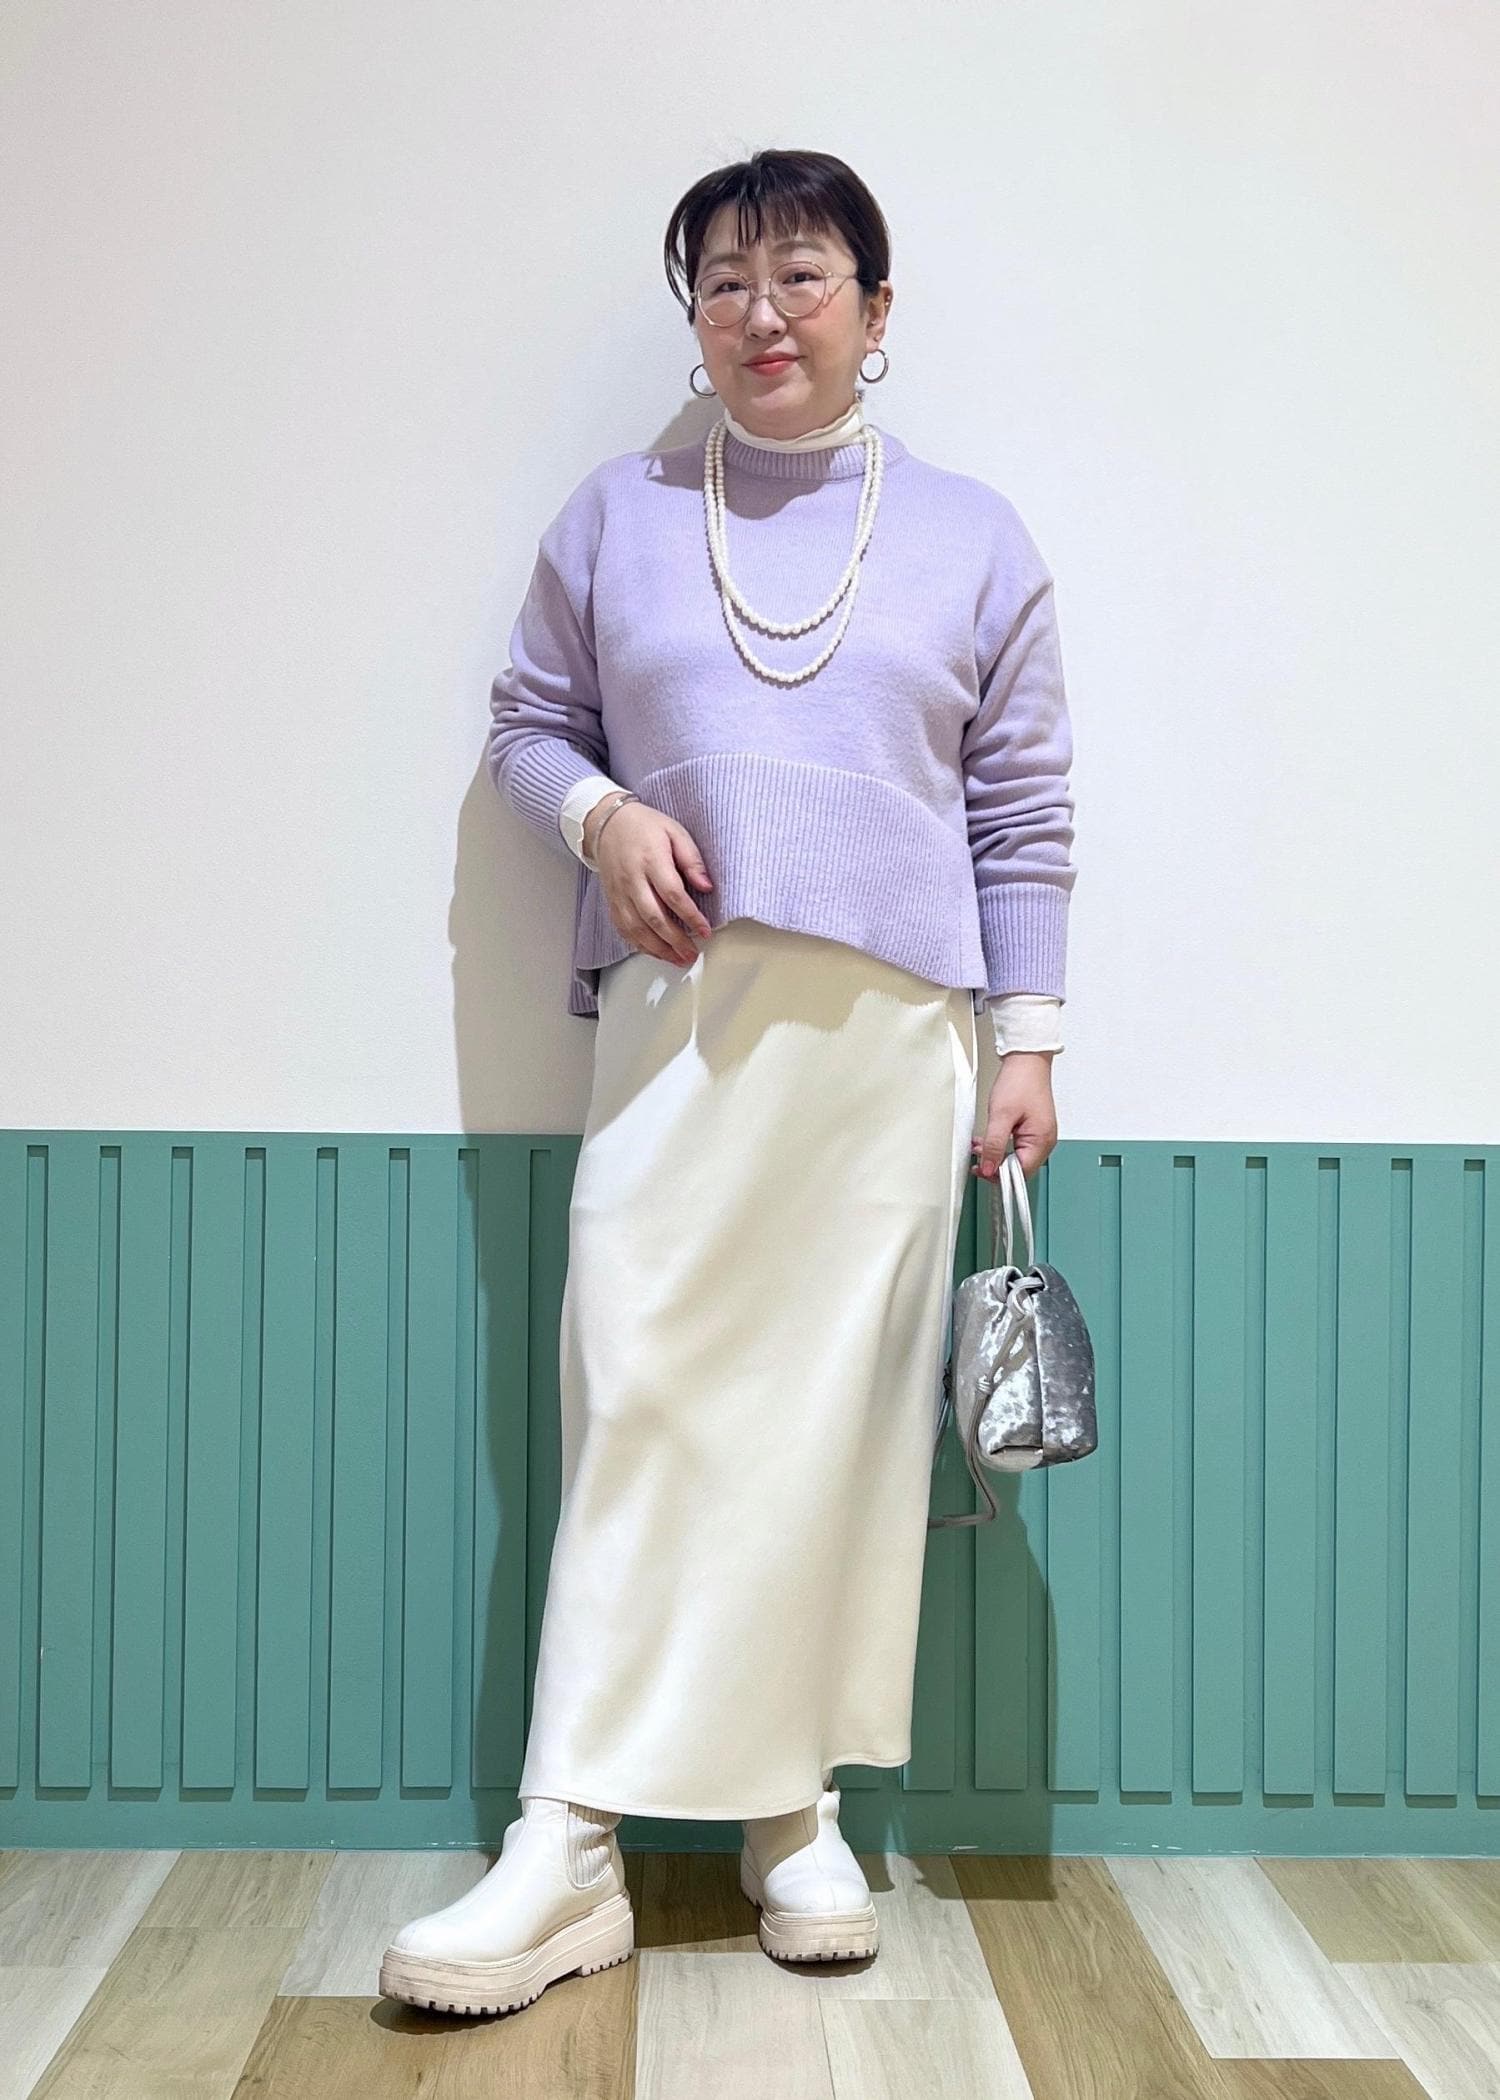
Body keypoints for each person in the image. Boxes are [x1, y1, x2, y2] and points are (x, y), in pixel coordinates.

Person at [381, 146, 1077, 2019]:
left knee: (837, 1431)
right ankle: (568, 1836)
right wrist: (604, 820)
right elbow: (531, 729)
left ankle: (794, 1815)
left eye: (804, 276)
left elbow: (1022, 806)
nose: (763, 315)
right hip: (681, 1023)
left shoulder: (974, 536)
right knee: (641, 1398)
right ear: (692, 315)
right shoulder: (619, 516)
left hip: (891, 1047)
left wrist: (1029, 1037)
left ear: (875, 305)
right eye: (723, 284)